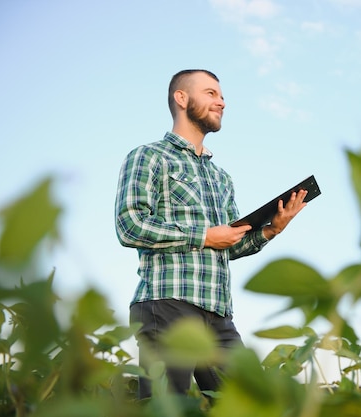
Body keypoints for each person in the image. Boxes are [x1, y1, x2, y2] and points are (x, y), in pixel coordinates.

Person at [114, 69, 308, 399]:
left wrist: (272, 229)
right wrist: (204, 236)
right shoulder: (149, 156)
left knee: (249, 400)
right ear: (181, 98)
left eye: (221, 96)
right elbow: (130, 225)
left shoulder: (222, 177)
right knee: (164, 406)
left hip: (218, 311)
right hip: (167, 303)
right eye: (211, 93)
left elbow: (229, 243)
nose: (222, 102)